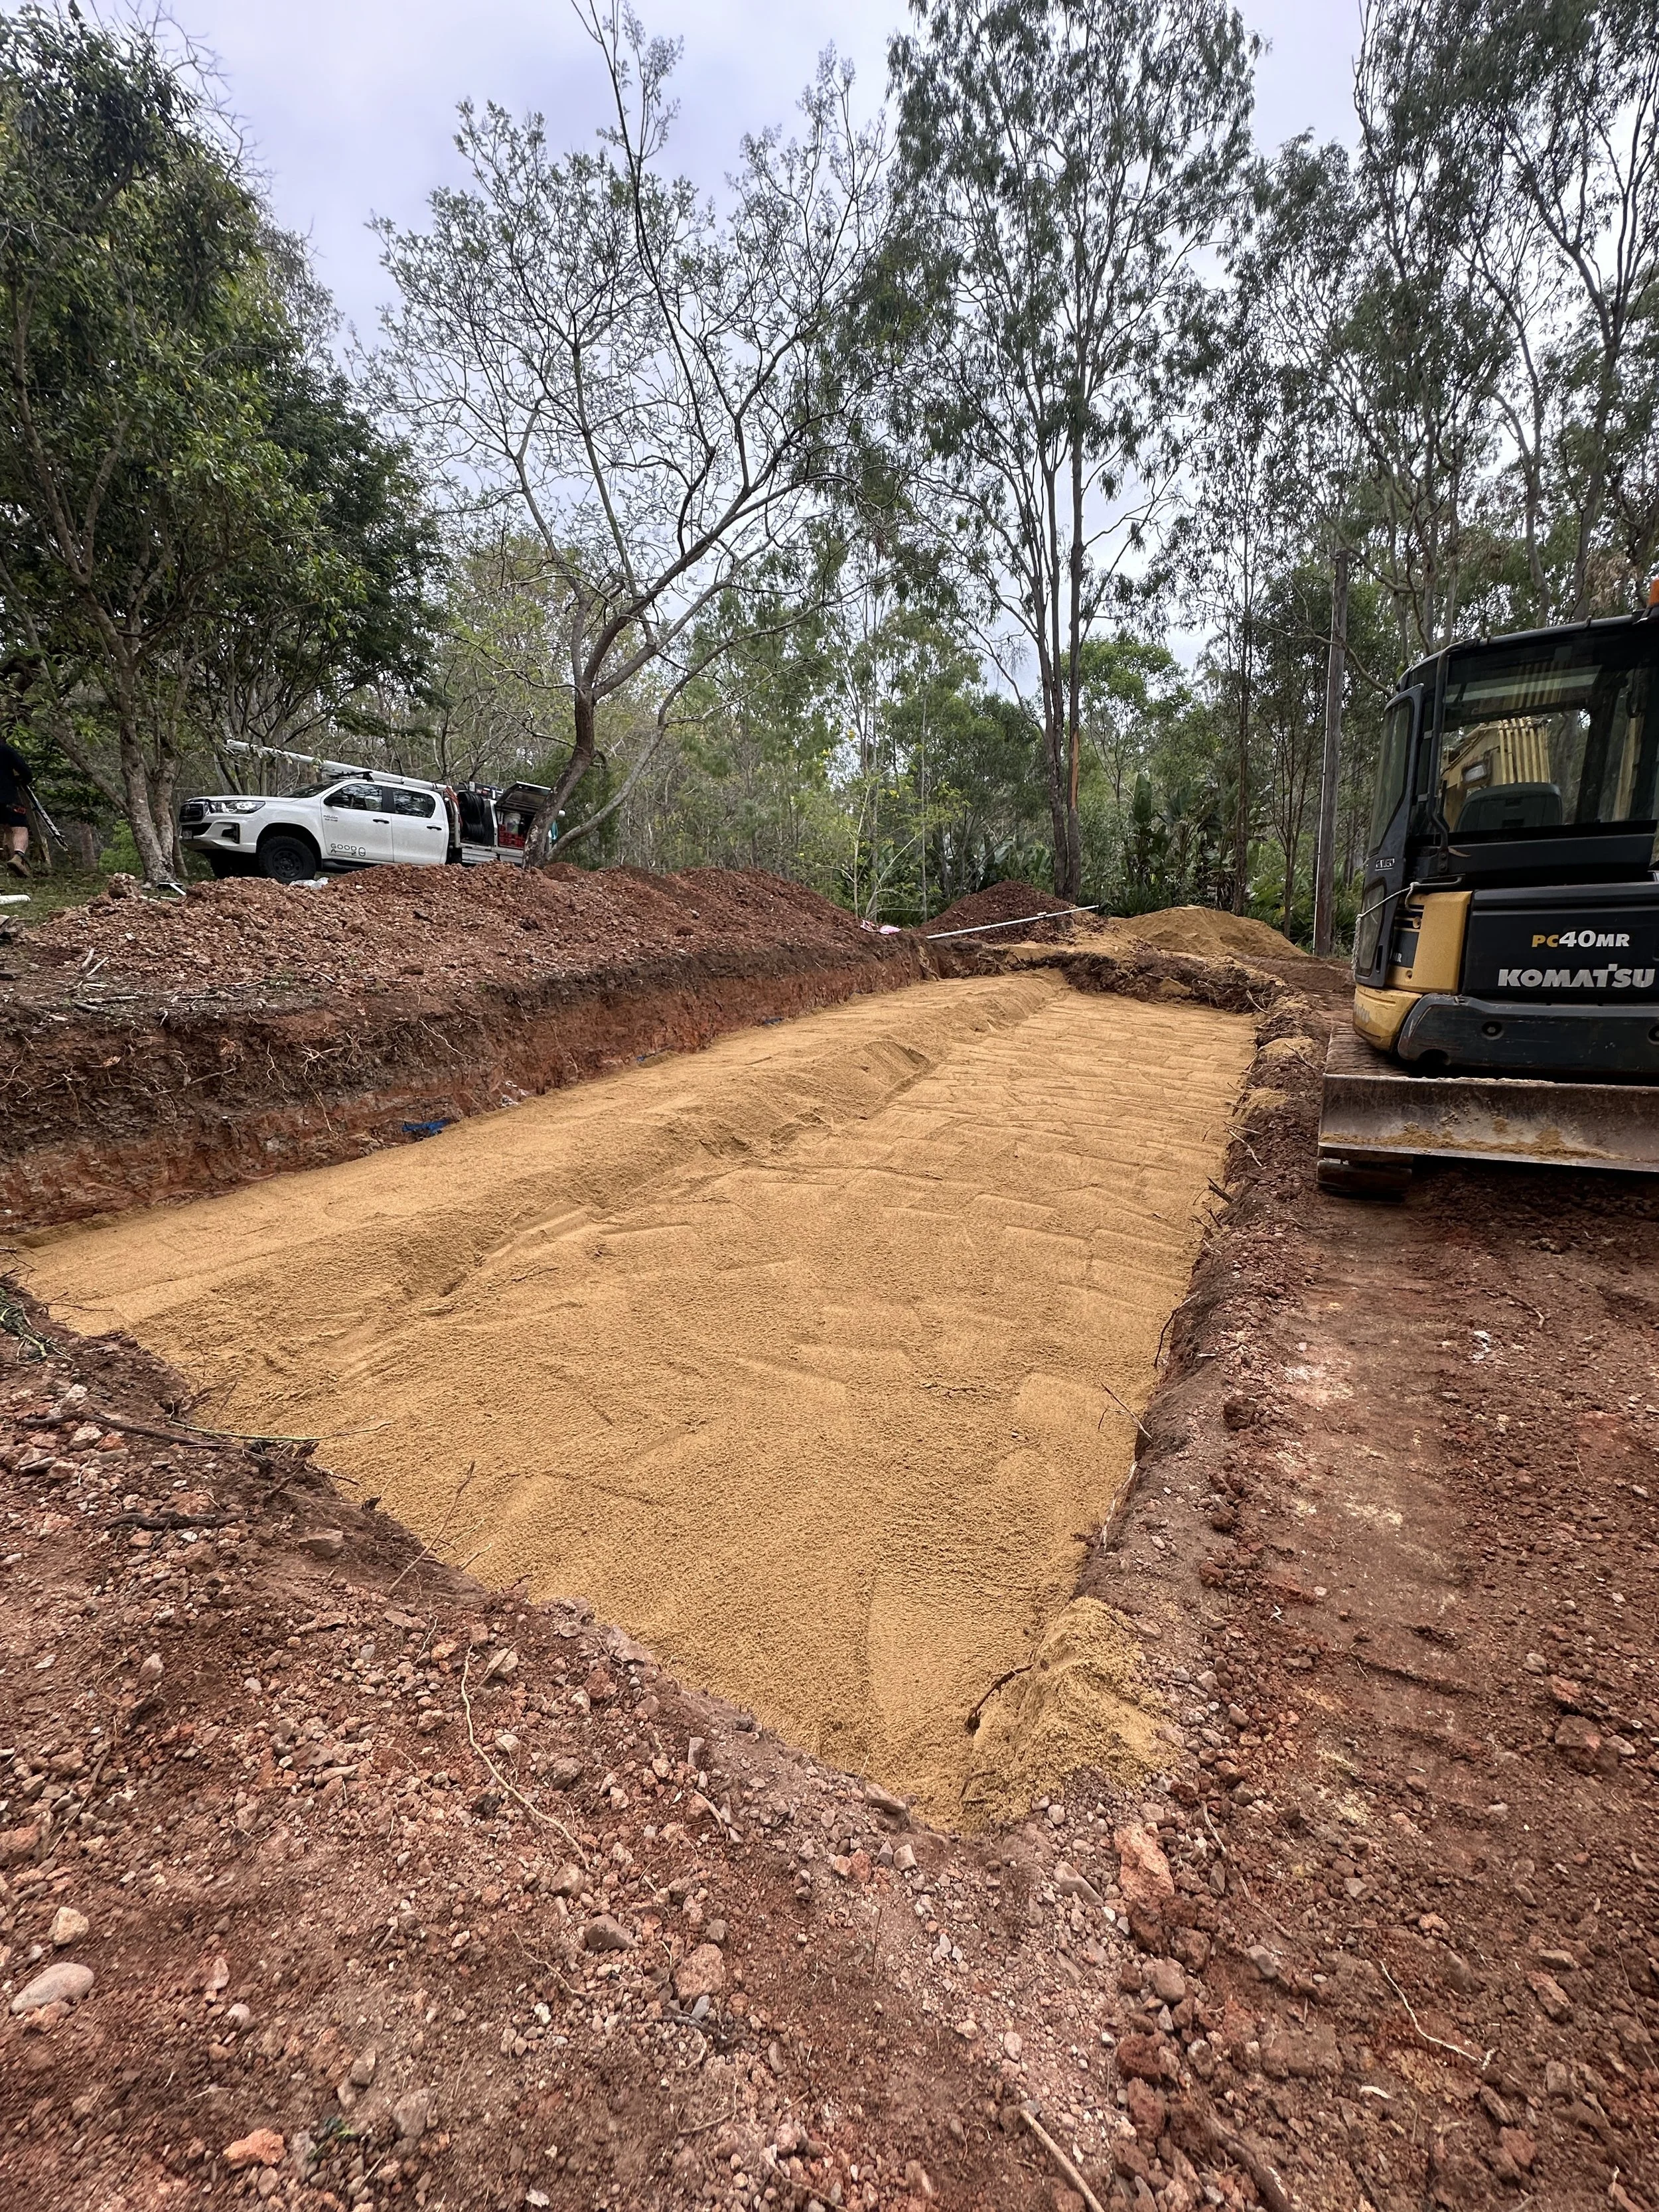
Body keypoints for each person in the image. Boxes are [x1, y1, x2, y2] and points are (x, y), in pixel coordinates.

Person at [0, 738, 33, 878]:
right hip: (7, 797)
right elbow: (26, 772)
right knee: (19, 827)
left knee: (7, 827)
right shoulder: (5, 750)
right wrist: (20, 780)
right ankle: (18, 856)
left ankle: (16, 867)